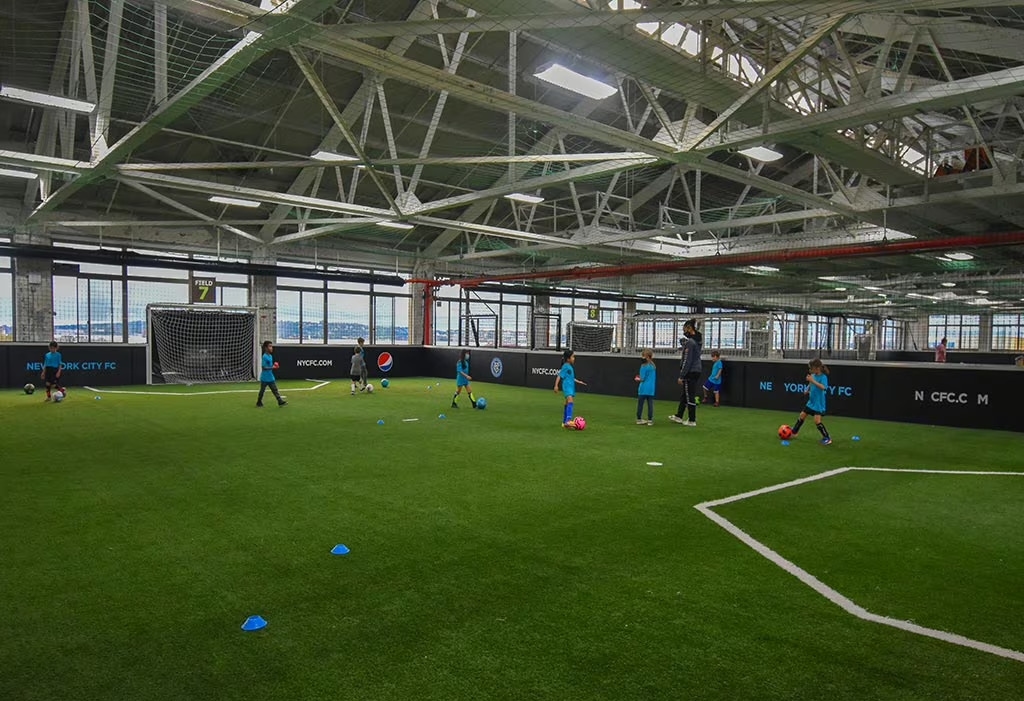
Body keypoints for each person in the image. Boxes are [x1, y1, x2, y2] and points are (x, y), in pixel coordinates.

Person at [791, 358, 831, 446]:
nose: (810, 370)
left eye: (811, 368)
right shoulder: (812, 375)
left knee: (817, 421)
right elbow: (810, 384)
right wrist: (807, 389)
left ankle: (827, 437)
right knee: (802, 415)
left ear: (817, 368)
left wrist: (813, 381)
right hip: (811, 402)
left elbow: (823, 387)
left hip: (819, 403)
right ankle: (794, 432)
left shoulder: (823, 377)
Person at [669, 321, 701, 426]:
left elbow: (687, 360)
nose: (684, 331)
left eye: (685, 329)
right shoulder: (697, 341)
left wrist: (682, 376)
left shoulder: (690, 343)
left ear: (689, 328)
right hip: (695, 370)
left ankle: (692, 420)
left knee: (689, 396)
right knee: (685, 394)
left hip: (691, 372)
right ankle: (679, 416)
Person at [554, 349, 586, 428]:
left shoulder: (569, 367)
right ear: (568, 359)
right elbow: (559, 376)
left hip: (571, 386)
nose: (574, 358)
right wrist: (556, 385)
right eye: (573, 357)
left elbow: (570, 377)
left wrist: (578, 381)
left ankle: (564, 422)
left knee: (567, 403)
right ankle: (568, 421)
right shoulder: (565, 366)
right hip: (567, 387)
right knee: (570, 401)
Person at [256, 340, 287, 407]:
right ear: (266, 348)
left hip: (270, 377)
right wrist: (273, 367)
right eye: (270, 346)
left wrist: (274, 365)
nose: (271, 348)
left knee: (275, 390)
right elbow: (264, 367)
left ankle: (280, 401)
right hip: (264, 378)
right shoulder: (264, 356)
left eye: (271, 346)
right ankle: (259, 402)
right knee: (262, 391)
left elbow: (269, 365)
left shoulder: (270, 356)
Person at [635, 348, 656, 425]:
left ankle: (639, 419)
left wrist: (637, 378)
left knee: (640, 404)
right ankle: (650, 420)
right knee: (650, 405)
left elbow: (642, 378)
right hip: (651, 389)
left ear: (647, 357)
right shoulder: (653, 366)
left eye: (643, 356)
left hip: (643, 388)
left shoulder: (643, 366)